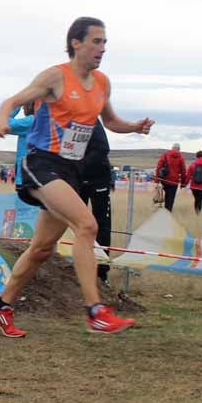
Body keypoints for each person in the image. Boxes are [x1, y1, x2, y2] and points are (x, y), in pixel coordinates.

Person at [0, 17, 154, 336]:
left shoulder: (102, 82)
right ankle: (96, 310)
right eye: (96, 41)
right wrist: (0, 123)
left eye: (105, 42)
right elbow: (12, 102)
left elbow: (110, 121)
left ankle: (1, 307)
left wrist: (135, 127)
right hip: (40, 164)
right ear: (76, 43)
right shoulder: (56, 77)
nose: (102, 48)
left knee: (41, 249)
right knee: (87, 225)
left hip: (69, 169)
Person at [81, 122, 114, 286]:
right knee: (77, 223)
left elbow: (103, 148)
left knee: (101, 225)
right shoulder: (61, 118)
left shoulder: (90, 119)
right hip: (78, 179)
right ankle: (80, 268)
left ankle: (102, 272)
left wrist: (79, 165)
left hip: (98, 177)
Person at [154, 143, 187, 212]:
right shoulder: (181, 158)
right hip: (174, 182)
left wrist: (157, 181)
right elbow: (183, 171)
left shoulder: (165, 155)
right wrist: (183, 183)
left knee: (162, 195)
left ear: (172, 148)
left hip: (164, 180)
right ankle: (168, 212)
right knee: (170, 199)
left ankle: (161, 210)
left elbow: (158, 167)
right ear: (179, 150)